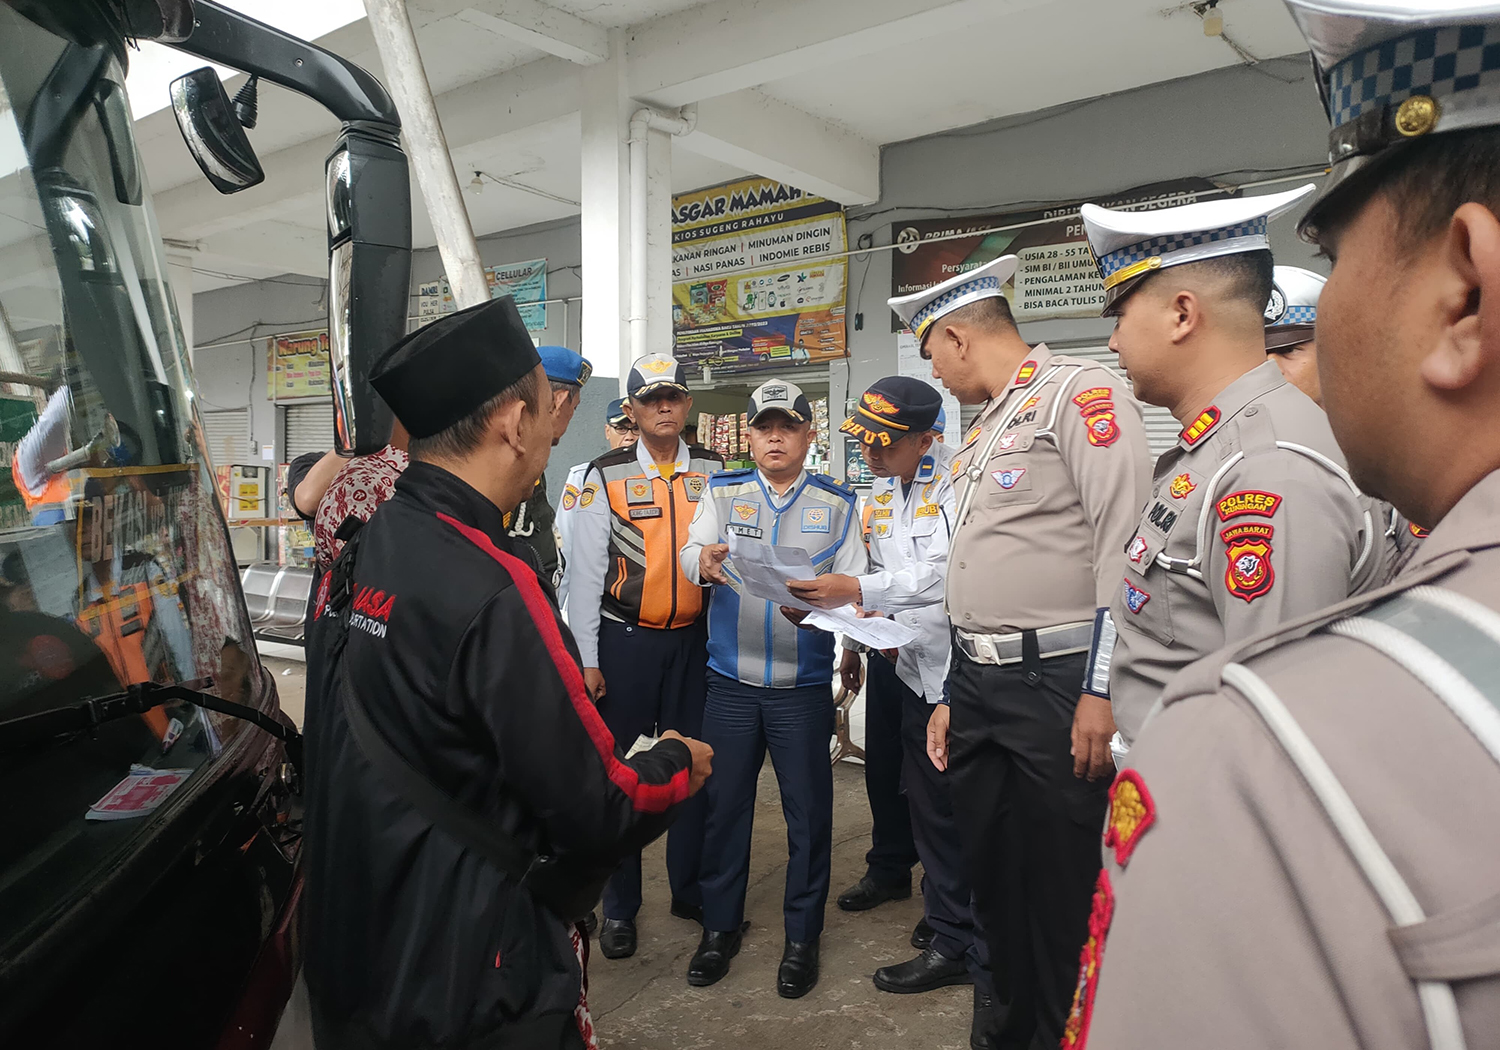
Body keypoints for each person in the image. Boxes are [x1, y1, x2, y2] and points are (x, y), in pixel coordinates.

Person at [1070, 4, 1500, 1047]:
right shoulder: (1208, 452)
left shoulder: (1263, 751)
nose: (1314, 318)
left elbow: (1289, 683)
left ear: (1464, 291)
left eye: (1342, 254)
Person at [302, 296, 713, 1050]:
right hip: (469, 972)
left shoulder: (380, 534)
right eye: (548, 407)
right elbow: (600, 809)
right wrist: (678, 761)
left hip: (361, 941)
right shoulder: (496, 585)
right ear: (514, 424)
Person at [889, 255, 1152, 1049]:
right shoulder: (987, 424)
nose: (931, 369)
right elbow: (978, 570)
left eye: (930, 352)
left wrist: (1101, 690)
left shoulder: (1080, 394)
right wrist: (948, 692)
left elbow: (1124, 550)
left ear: (960, 338)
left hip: (1058, 684)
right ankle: (1003, 1028)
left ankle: (1063, 1032)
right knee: (990, 872)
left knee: (1063, 883)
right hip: (977, 684)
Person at [1082, 188, 1385, 755]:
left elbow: (1278, 727)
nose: (1113, 340)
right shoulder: (1219, 448)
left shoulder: (1267, 469)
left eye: (1120, 314)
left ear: (1182, 313)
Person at [680, 379, 867, 998]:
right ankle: (719, 929)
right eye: (764, 427)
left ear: (809, 435)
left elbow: (857, 587)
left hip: (800, 688)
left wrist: (833, 628)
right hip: (730, 683)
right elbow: (691, 552)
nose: (775, 436)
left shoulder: (838, 503)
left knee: (809, 817)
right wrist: (701, 563)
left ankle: (801, 938)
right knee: (724, 809)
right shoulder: (723, 490)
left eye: (788, 426)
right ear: (751, 435)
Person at [813, 377, 976, 994]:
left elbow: (941, 574)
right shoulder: (880, 488)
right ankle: (908, 883)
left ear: (926, 437)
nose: (871, 454)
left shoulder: (956, 483)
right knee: (890, 776)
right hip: (895, 659)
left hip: (947, 667)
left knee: (941, 797)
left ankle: (952, 925)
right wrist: (853, 642)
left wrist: (858, 593)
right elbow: (871, 569)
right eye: (866, 442)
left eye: (884, 443)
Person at [565, 353, 724, 960]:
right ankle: (620, 908)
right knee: (621, 776)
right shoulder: (598, 475)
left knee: (692, 767)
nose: (663, 406)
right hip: (623, 644)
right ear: (630, 409)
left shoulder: (715, 470)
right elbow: (582, 575)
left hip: (695, 643)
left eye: (674, 397)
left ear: (687, 406)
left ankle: (688, 890)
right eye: (650, 398)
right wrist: (586, 656)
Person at [1265, 265, 1426, 579]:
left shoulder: (1389, 450)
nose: (1271, 369)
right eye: (1258, 355)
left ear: (1332, 349)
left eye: (1288, 351)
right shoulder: (1239, 454)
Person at [505, 345, 592, 583]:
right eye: (573, 409)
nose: (570, 418)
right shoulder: (513, 461)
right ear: (559, 401)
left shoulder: (528, 460)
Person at [557, 397, 637, 609]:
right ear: (607, 431)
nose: (629, 437)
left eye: (635, 429)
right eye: (621, 428)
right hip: (594, 598)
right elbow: (566, 546)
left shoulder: (656, 480)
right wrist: (559, 606)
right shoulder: (583, 477)